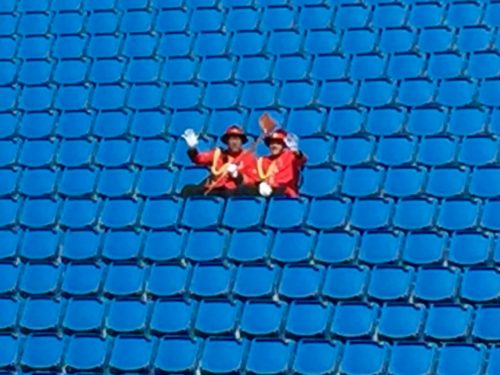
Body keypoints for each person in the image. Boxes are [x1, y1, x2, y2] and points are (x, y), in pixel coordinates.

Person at [180, 125, 258, 197]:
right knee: (188, 190)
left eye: (237, 139)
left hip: (232, 191)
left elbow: (252, 181)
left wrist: (237, 175)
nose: (234, 142)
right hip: (214, 189)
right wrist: (192, 149)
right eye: (231, 139)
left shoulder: (249, 158)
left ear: (241, 142)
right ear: (227, 141)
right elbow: (199, 159)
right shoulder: (218, 154)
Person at [257, 129, 307, 198]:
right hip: (267, 192)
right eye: (272, 143)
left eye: (278, 143)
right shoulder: (263, 160)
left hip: (286, 194)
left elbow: (302, 159)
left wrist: (296, 151)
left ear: (284, 145)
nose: (274, 146)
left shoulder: (290, 155)